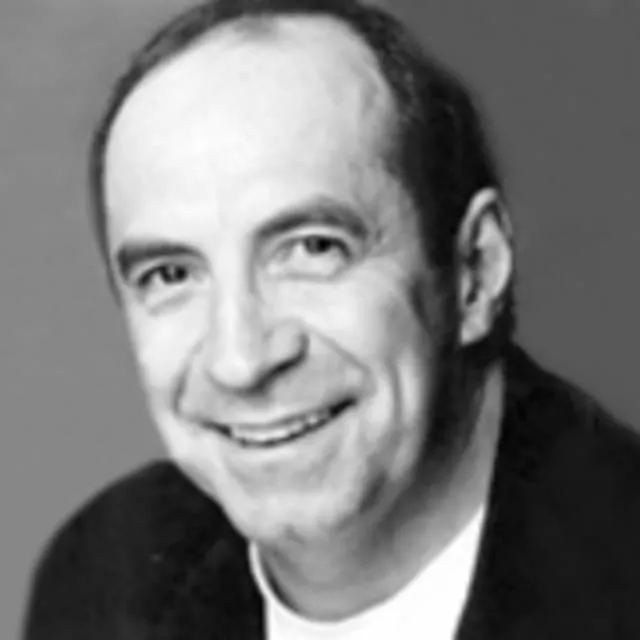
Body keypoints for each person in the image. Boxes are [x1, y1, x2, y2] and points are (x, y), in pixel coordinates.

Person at [22, 0, 640, 638]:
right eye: (172, 275)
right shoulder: (100, 581)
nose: (240, 361)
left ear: (474, 273)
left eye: (313, 248)